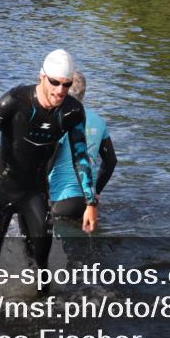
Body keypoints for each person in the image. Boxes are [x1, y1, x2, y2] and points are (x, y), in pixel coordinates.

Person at [0, 50, 95, 271]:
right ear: (42, 77)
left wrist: (90, 202)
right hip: (0, 186)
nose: (60, 91)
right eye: (55, 82)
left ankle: (40, 305)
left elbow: (80, 155)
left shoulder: (73, 111)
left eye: (66, 85)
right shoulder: (15, 100)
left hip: (35, 191)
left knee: (40, 266)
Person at [48, 71, 117, 224]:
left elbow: (49, 159)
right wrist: (96, 192)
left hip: (60, 201)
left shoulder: (59, 118)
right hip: (87, 202)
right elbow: (111, 161)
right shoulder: (98, 120)